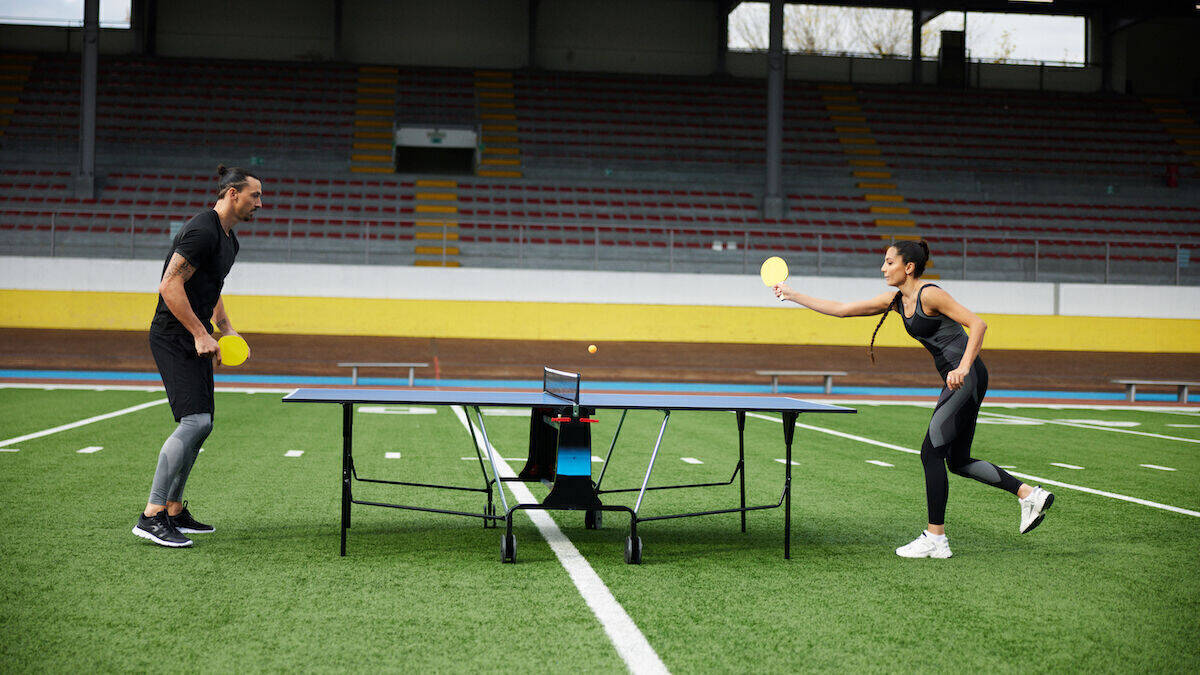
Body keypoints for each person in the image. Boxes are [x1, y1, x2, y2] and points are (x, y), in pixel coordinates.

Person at [773, 240, 1053, 558]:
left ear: (908, 267)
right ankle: (1029, 495)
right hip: (966, 379)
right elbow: (842, 310)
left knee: (930, 453)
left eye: (889, 262)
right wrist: (792, 294)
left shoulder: (929, 294)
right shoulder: (897, 300)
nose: (883, 267)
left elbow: (978, 324)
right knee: (958, 461)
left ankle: (936, 539)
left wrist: (962, 368)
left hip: (967, 376)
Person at [132, 165, 262, 548]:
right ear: (232, 193)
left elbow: (212, 288)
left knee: (203, 425)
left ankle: (174, 509)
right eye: (255, 195)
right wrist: (200, 333)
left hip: (196, 337)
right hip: (174, 336)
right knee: (193, 422)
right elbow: (169, 285)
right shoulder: (202, 229)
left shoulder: (229, 240)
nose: (260, 203)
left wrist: (225, 329)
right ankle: (152, 514)